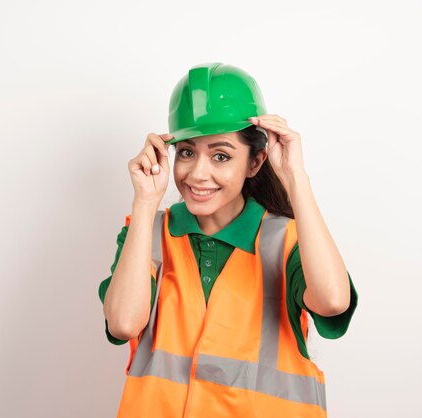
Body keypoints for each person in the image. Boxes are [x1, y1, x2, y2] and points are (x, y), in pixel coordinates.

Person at [98, 62, 358, 418]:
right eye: (187, 152)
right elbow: (123, 323)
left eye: (221, 156)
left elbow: (331, 301)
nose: (197, 174)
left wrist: (295, 177)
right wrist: (145, 202)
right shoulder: (148, 233)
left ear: (255, 162)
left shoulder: (287, 240)